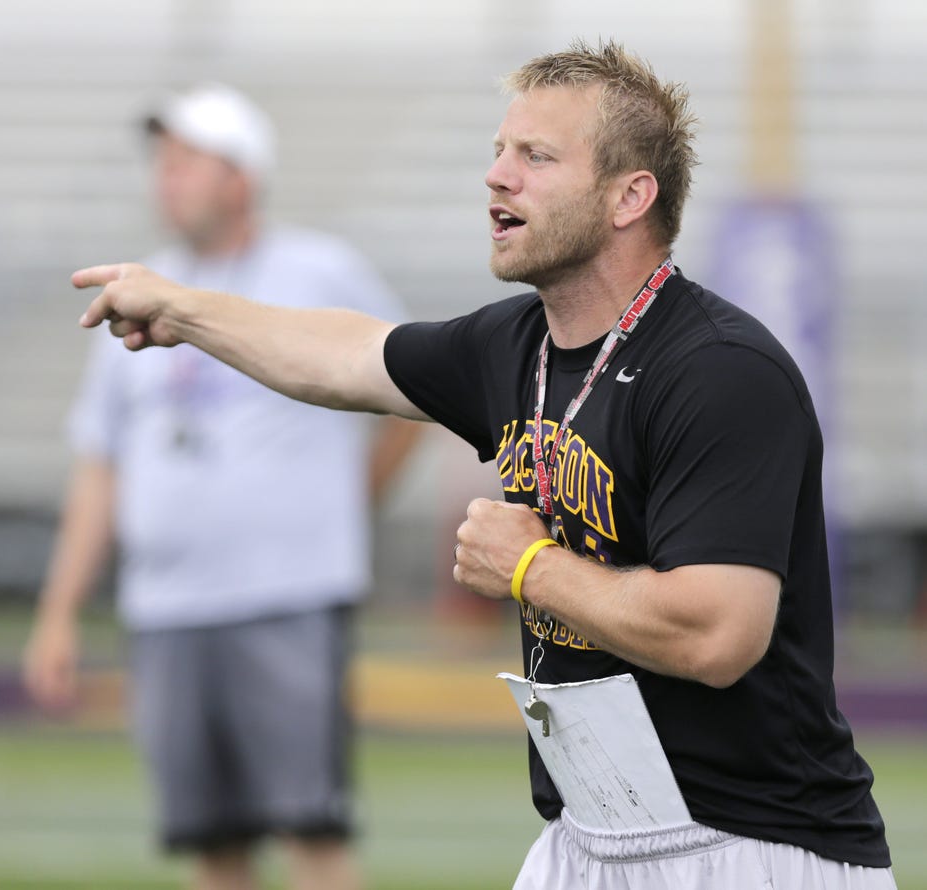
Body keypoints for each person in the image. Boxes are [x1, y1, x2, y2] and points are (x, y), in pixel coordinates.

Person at [64, 41, 896, 890]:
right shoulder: (516, 344)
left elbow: (720, 633)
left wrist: (531, 566)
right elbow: (344, 354)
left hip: (751, 848)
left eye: (536, 157)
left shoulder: (719, 370)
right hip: (586, 836)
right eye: (500, 152)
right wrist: (181, 306)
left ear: (629, 196)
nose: (498, 177)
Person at [23, 84, 419, 890]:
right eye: (162, 163)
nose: (164, 178)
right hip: (167, 607)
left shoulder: (318, 269)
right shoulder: (136, 284)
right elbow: (101, 463)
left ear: (241, 177)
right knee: (210, 841)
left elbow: (415, 397)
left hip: (286, 594)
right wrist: (57, 613)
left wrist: (349, 506)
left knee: (311, 828)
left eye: (186, 162)